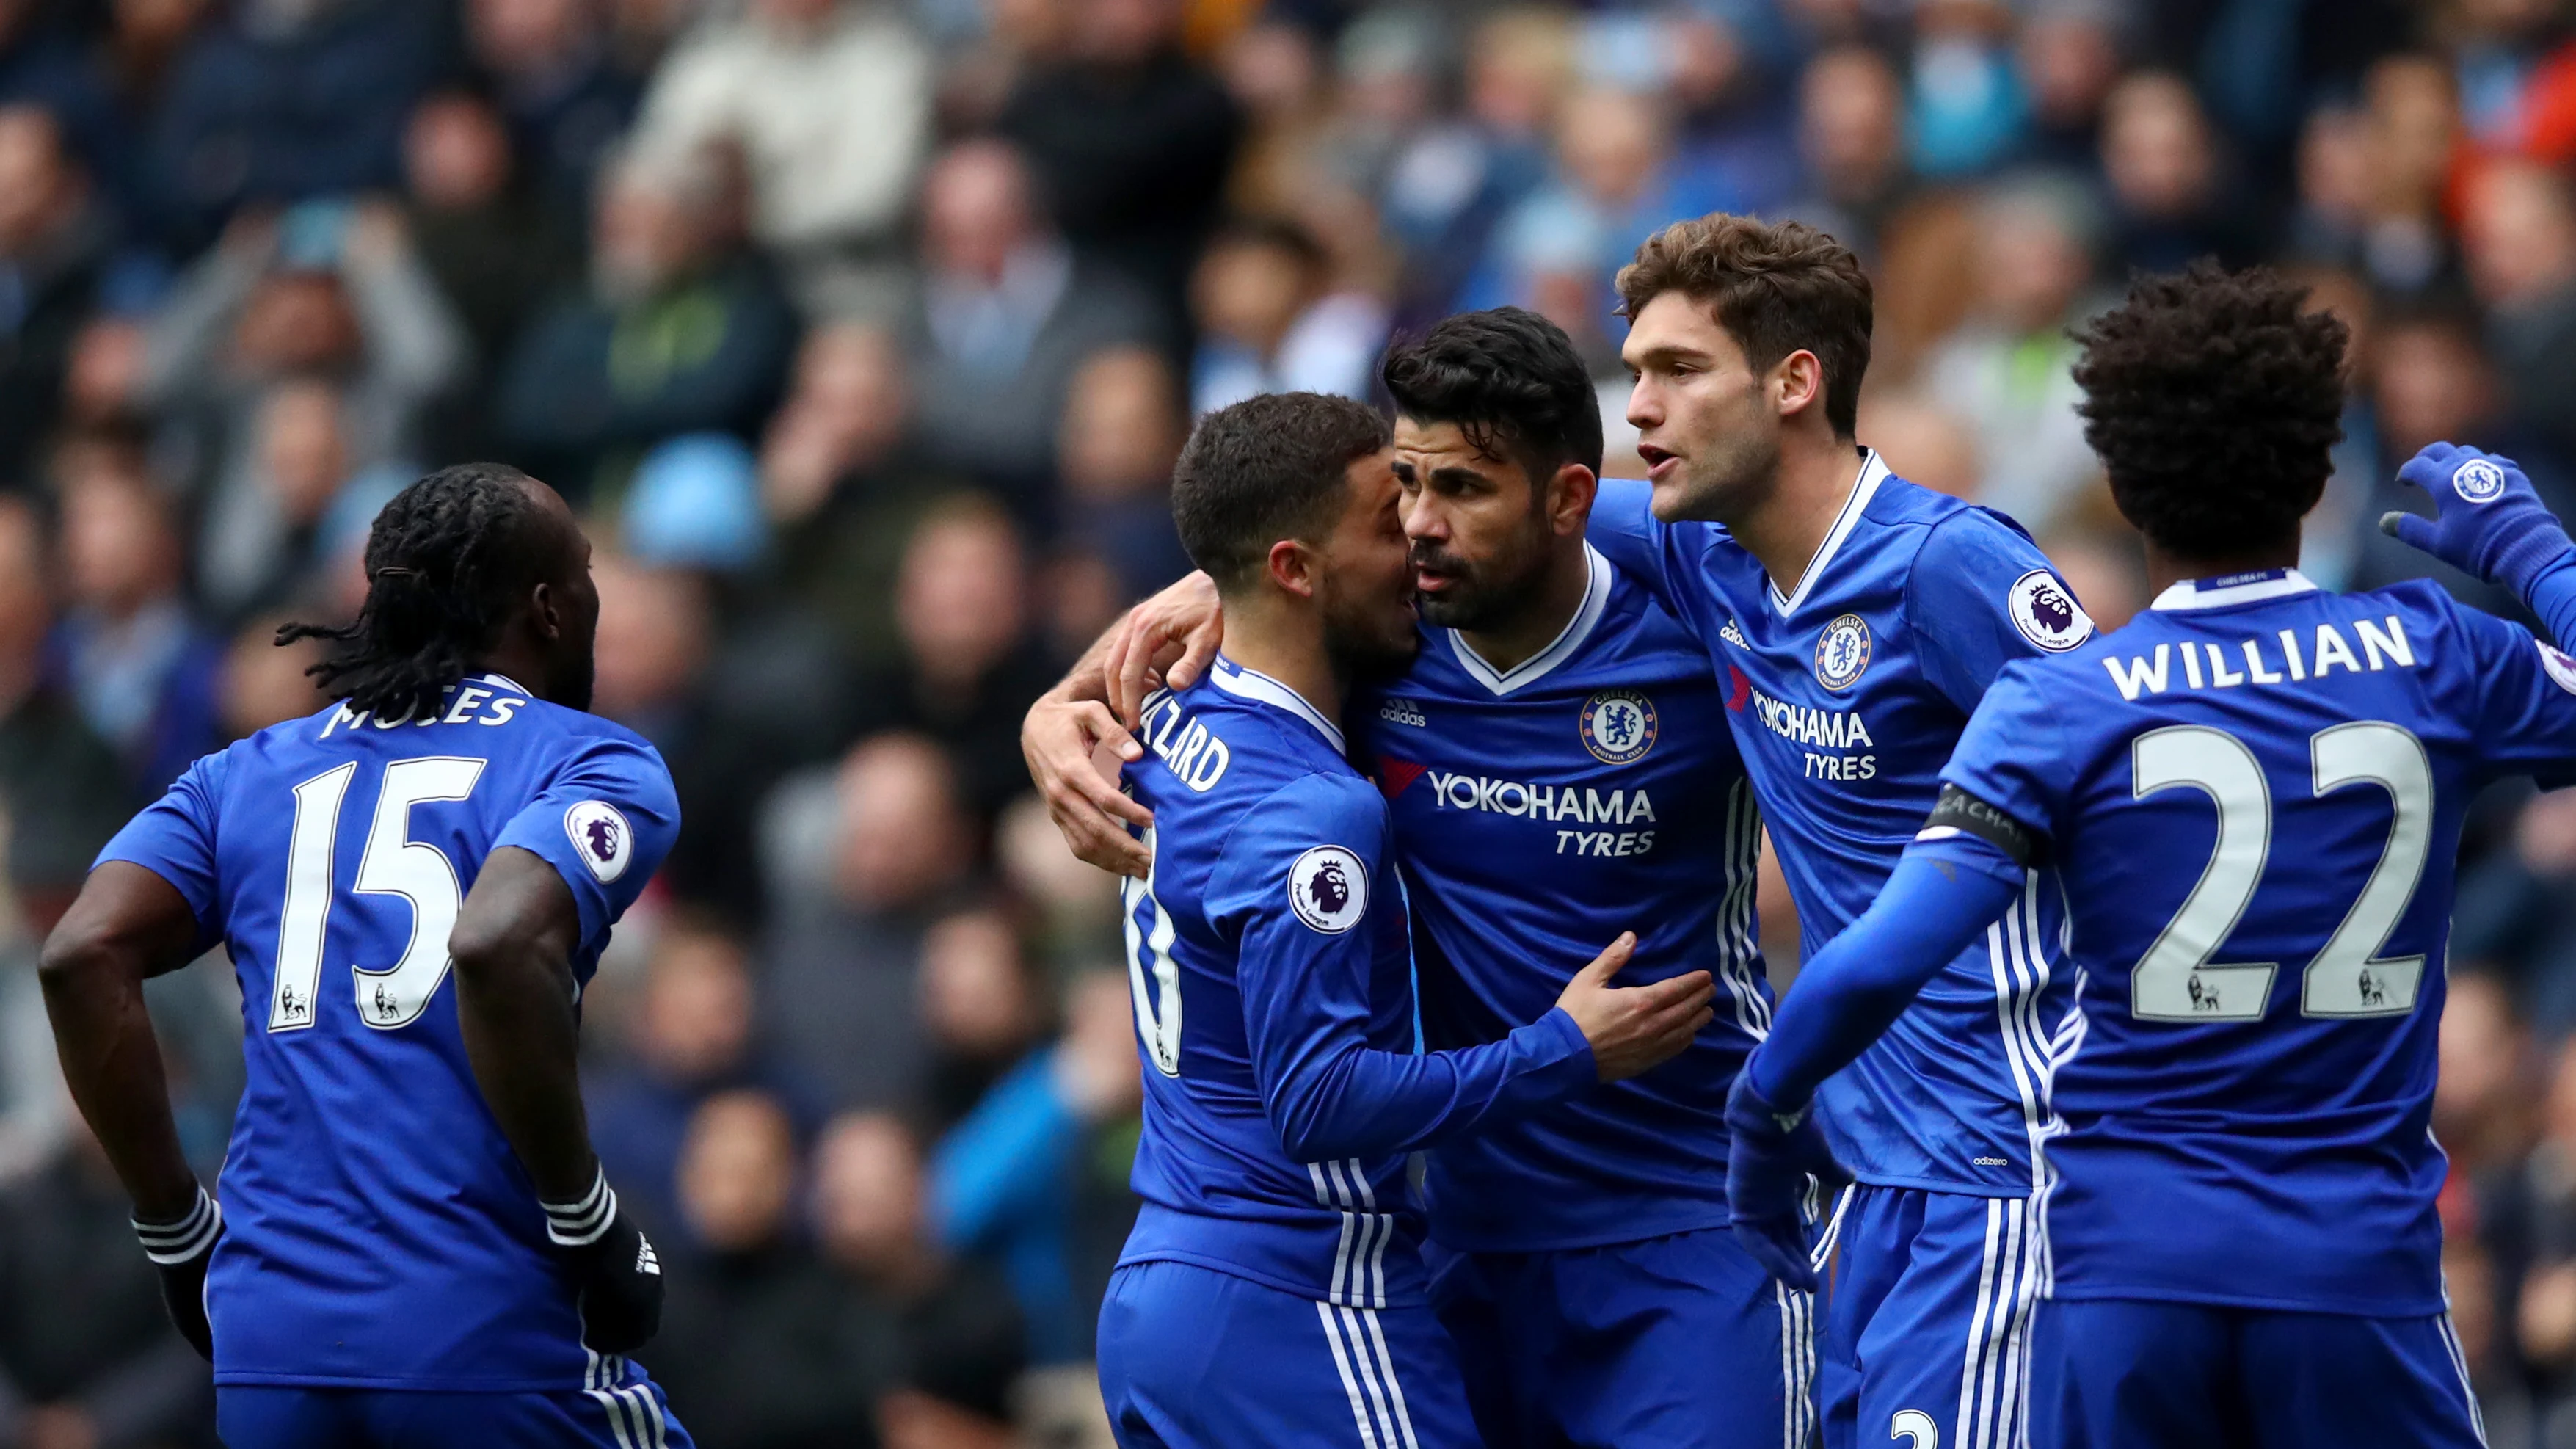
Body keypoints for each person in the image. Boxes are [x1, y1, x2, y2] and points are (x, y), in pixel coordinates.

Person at [1723, 262, 2576, 1447]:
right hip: (2353, 1271)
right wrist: (2537, 556)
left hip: (2127, 1270)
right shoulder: (2431, 651)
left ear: (2119, 486)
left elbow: (1875, 964)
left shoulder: (2057, 704)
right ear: (2319, 472)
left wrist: (1760, 1115)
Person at [1026, 308, 1820, 1449]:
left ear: (1566, 499)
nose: (1419, 526)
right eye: (1401, 484)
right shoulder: (1377, 640)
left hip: (1682, 1228)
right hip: (1449, 1248)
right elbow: (1252, 606)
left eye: (1464, 488)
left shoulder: (1695, 613)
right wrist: (1055, 712)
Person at [37, 462, 693, 1448]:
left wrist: (176, 1231)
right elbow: (497, 939)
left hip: (271, 1340)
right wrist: (586, 1215)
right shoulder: (587, 758)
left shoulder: (244, 770)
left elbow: (82, 950)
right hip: (482, 1316)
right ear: (553, 609)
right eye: (589, 572)